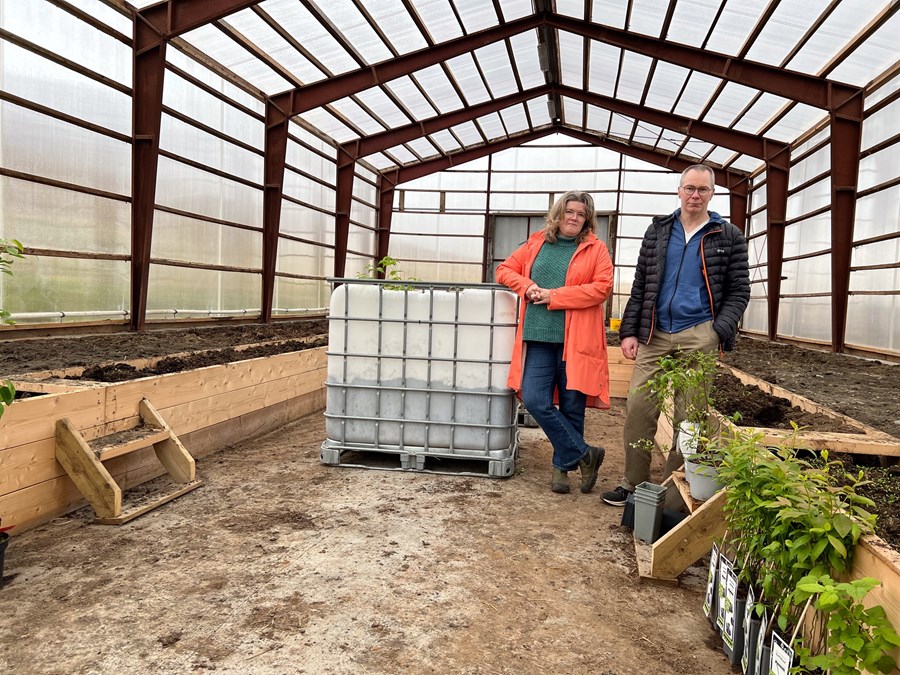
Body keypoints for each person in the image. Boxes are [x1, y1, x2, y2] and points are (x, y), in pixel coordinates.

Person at [601, 164, 750, 507]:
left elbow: (739, 291)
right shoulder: (658, 231)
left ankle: (671, 489)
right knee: (639, 407)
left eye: (703, 190)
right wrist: (629, 331)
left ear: (712, 194)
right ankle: (633, 483)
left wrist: (717, 332)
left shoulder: (727, 235)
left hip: (700, 333)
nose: (695, 195)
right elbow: (641, 284)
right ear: (679, 191)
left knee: (689, 417)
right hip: (655, 332)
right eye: (689, 188)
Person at [496, 190, 614, 494]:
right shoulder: (537, 243)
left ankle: (562, 469)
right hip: (538, 337)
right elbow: (504, 270)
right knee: (535, 399)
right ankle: (586, 454)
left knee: (573, 406)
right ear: (558, 214)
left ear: (587, 219)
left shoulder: (596, 249)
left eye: (580, 214)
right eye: (569, 212)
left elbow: (601, 289)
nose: (573, 218)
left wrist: (555, 297)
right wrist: (528, 285)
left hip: (576, 341)